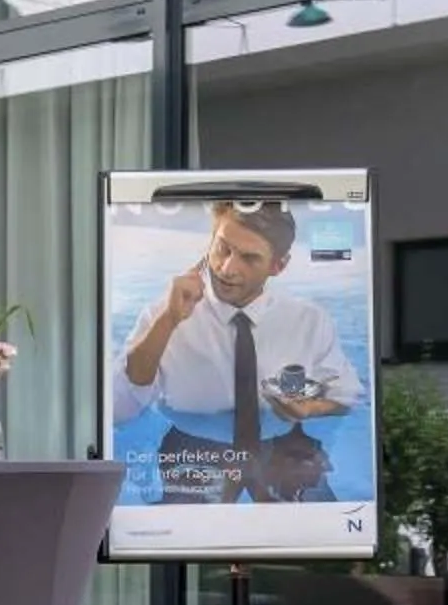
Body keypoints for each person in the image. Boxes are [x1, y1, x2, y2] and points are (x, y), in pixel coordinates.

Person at [113, 201, 362, 503]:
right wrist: (169, 320)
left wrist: (311, 409)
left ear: (278, 265)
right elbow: (120, 408)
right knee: (179, 526)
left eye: (249, 258)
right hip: (195, 449)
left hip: (283, 446)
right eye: (223, 249)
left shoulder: (308, 320)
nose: (227, 268)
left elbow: (347, 394)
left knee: (323, 522)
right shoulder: (164, 314)